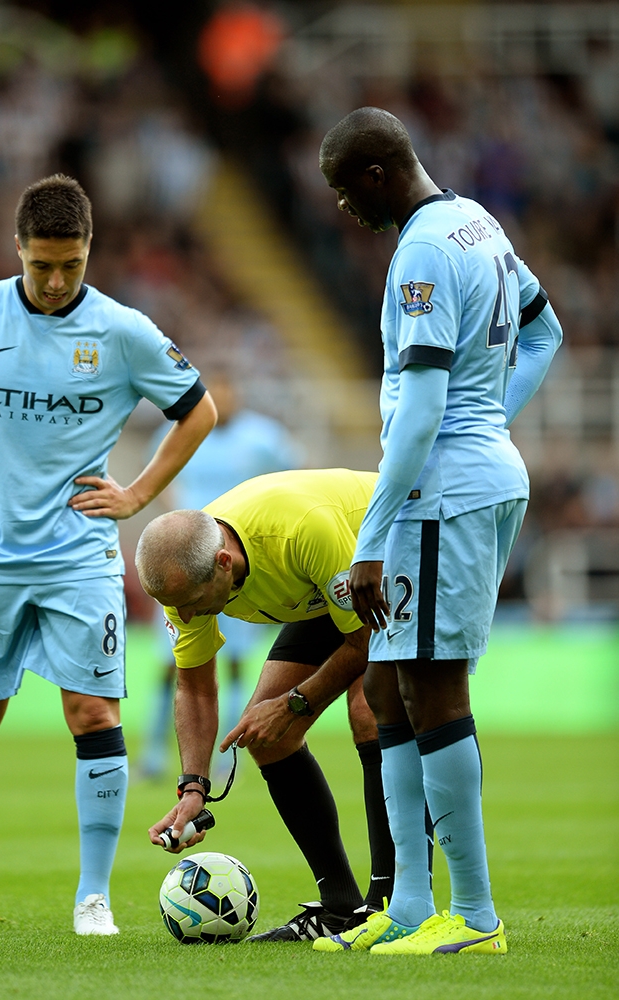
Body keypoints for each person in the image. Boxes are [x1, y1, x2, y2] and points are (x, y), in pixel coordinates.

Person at [0, 174, 217, 935]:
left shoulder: (124, 331)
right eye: (42, 266)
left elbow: (199, 412)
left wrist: (135, 495)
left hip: (79, 557)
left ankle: (92, 898)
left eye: (71, 264)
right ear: (18, 251)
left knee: (91, 710)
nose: (57, 280)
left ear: (89, 250)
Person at [303, 107, 562, 955]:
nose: (342, 207)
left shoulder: (418, 248)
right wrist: (489, 421)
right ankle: (410, 905)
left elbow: (417, 414)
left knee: (433, 689)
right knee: (385, 691)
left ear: (375, 175)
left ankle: (476, 916)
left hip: (438, 492)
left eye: (344, 190)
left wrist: (369, 538)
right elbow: (544, 328)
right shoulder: (477, 223)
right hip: (471, 474)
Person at [135, 468, 398, 942]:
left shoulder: (302, 530)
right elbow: (195, 688)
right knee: (269, 740)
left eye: (193, 603)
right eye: (177, 607)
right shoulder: (183, 583)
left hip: (390, 552)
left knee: (370, 712)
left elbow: (364, 642)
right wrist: (193, 788)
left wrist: (295, 703)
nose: (187, 616)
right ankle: (341, 909)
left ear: (222, 563)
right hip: (324, 589)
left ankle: (391, 907)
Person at [138, 369, 302, 778]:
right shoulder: (181, 434)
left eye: (229, 394)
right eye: (216, 395)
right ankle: (154, 755)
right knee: (175, 666)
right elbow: (161, 482)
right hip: (188, 568)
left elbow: (292, 478)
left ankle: (230, 756)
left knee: (233, 666)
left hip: (233, 567)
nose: (223, 402)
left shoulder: (263, 437)